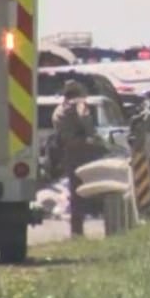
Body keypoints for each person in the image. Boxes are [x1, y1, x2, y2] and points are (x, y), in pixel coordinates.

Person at [51, 80, 106, 236]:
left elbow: (57, 129)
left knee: (75, 191)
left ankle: (76, 230)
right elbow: (86, 122)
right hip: (84, 150)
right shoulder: (80, 105)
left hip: (69, 151)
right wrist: (93, 136)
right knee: (98, 185)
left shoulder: (59, 109)